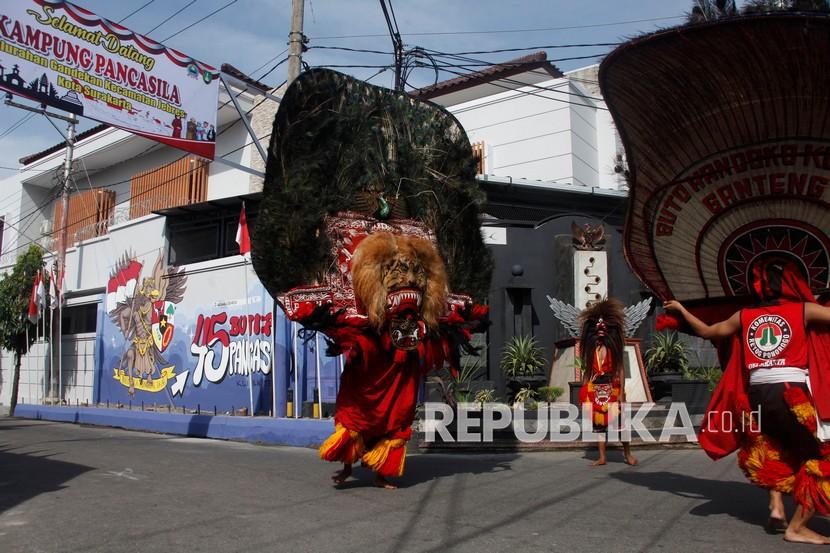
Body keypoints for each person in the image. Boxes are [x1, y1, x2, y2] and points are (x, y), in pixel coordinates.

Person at [664, 257, 830, 545]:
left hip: (757, 396)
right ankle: (797, 527)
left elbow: (706, 331)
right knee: (822, 458)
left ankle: (777, 505)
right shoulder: (803, 310)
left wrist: (681, 309)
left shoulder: (743, 316)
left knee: (776, 448)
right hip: (791, 393)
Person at [578, 298, 637, 466]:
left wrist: (622, 393)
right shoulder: (591, 351)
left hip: (612, 388)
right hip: (596, 390)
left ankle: (627, 454)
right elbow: (587, 372)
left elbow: (620, 370)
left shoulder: (614, 349)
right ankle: (602, 457)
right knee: (599, 425)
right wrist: (584, 392)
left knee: (621, 423)